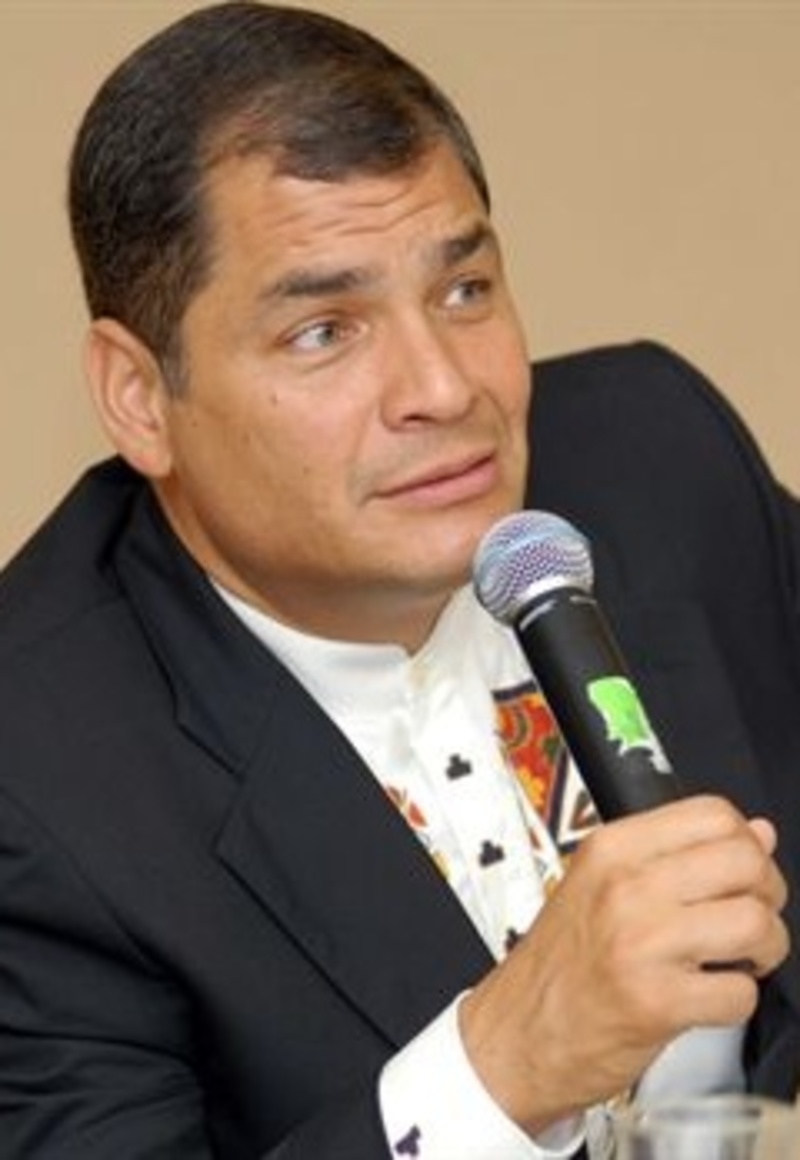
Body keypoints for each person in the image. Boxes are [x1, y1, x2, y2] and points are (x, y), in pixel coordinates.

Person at [0, 3, 798, 1157]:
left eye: (462, 289)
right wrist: (505, 1062)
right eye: (324, 331)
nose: (441, 387)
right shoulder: (36, 778)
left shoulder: (656, 458)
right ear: (140, 396)